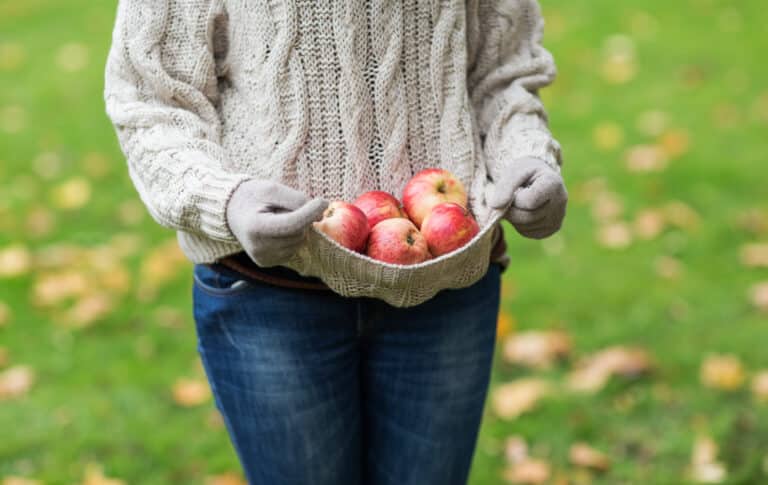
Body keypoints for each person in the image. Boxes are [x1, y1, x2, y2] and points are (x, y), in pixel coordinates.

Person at [104, 0, 567, 483]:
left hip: (446, 282)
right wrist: (227, 201)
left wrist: (525, 156)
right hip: (268, 296)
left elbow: (505, 71)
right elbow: (152, 100)